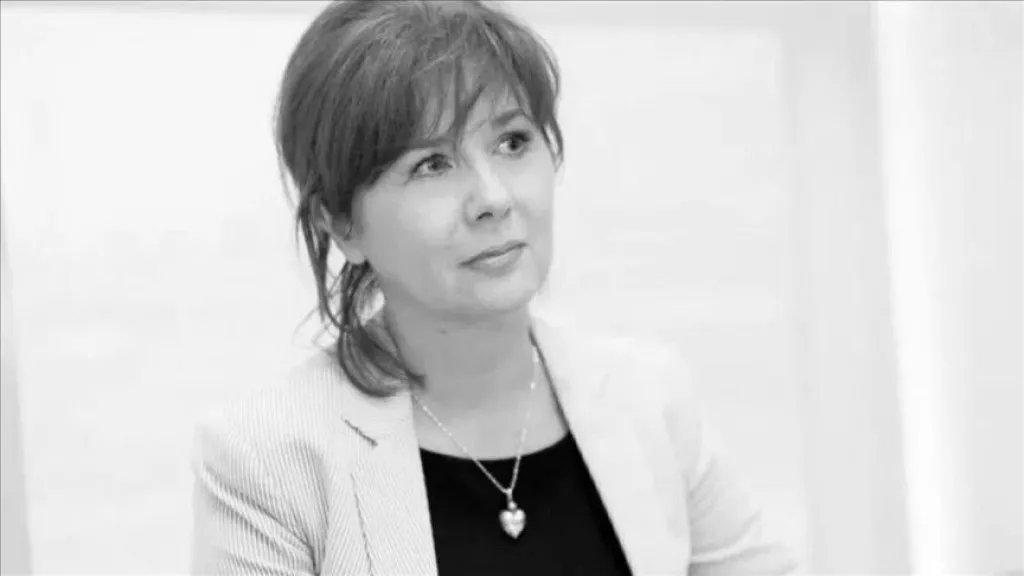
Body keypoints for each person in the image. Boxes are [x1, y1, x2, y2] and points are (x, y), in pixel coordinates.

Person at [190, 1, 798, 574]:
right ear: (341, 223)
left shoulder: (649, 398)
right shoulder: (266, 458)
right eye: (431, 164)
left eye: (512, 143)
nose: (494, 198)